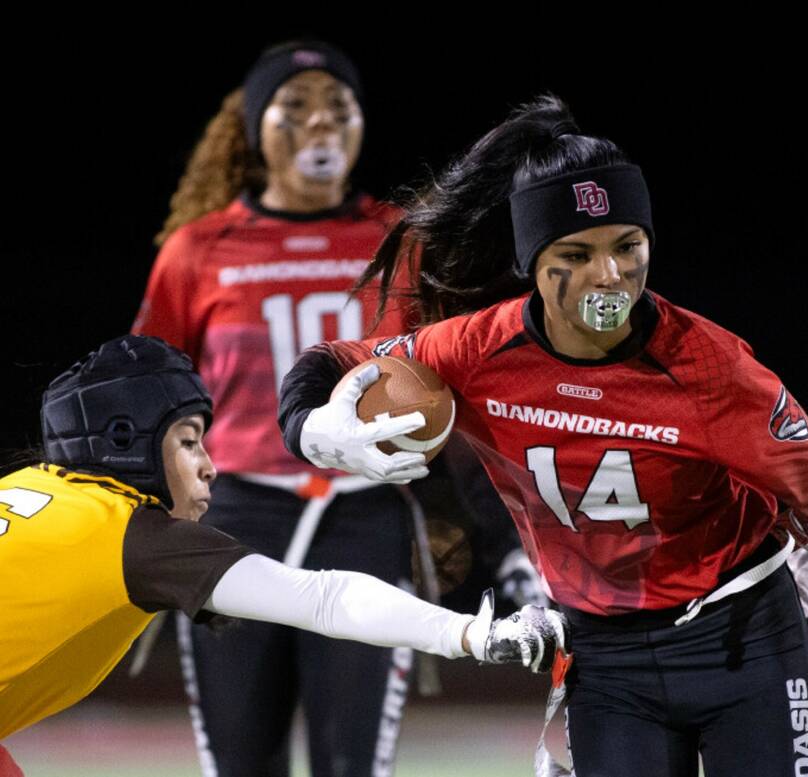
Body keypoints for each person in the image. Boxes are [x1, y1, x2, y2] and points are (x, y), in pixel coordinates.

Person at [276, 95, 808, 777]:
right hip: (604, 654)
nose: (608, 273)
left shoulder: (711, 367)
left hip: (742, 641)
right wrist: (316, 428)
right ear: (532, 262)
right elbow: (334, 360)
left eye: (627, 245)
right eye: (577, 253)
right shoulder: (474, 350)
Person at [132, 39, 529, 776]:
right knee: (242, 763)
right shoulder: (198, 250)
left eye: (338, 107)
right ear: (255, 128)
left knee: (353, 764)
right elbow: (148, 394)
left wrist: (509, 536)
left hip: (362, 515)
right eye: (297, 107)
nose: (321, 124)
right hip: (235, 513)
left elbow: (455, 388)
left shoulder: (397, 240)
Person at [0, 336, 567, 775]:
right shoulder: (134, 535)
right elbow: (325, 598)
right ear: (125, 440)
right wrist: (472, 634)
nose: (210, 465)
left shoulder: (25, 484)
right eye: (189, 440)